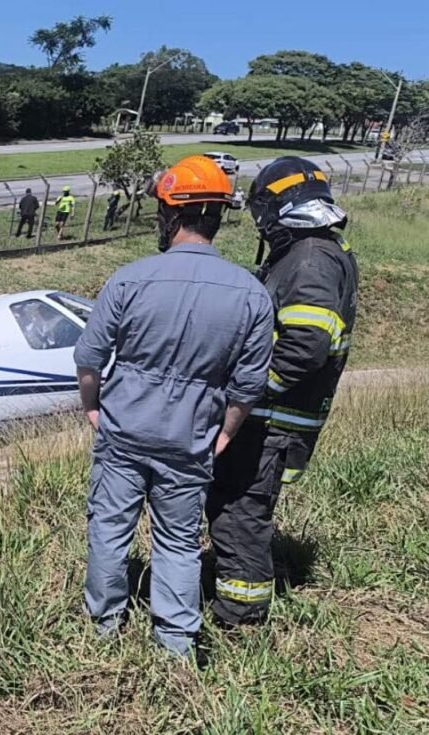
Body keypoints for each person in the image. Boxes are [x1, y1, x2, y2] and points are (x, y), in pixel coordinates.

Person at [74, 155, 274, 658]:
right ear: (217, 216)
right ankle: (176, 642)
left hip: (123, 431)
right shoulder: (251, 294)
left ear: (170, 214)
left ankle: (103, 626)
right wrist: (224, 434)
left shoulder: (129, 279)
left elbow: (90, 361)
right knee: (178, 542)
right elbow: (247, 388)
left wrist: (93, 408)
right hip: (191, 440)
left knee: (109, 529)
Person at [207, 157, 359, 627]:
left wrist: (246, 395)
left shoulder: (310, 258)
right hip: (277, 419)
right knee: (237, 507)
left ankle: (240, 618)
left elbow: (305, 345)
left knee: (240, 512)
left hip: (270, 421)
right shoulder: (320, 253)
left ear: (276, 211)